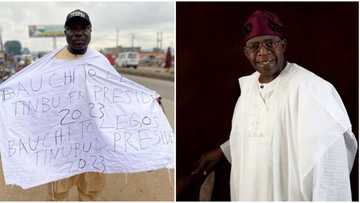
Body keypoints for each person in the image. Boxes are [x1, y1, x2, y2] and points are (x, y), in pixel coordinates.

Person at [192, 10, 357, 201]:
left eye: (270, 43)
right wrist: (224, 151)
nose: (263, 52)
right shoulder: (248, 89)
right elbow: (259, 136)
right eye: (255, 46)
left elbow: (329, 157)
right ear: (246, 53)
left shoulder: (312, 90)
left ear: (283, 46)